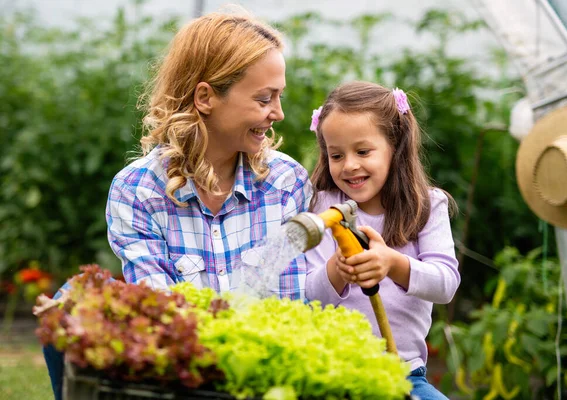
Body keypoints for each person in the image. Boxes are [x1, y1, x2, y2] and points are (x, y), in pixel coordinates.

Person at [43, 8, 312, 399]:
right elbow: (165, 318)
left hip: (263, 376)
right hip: (181, 379)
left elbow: (291, 310)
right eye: (264, 99)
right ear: (205, 97)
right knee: (68, 298)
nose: (279, 113)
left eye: (279, 97)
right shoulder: (137, 190)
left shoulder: (285, 183)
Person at [305, 81, 460, 400]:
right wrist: (338, 268)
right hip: (333, 375)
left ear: (396, 145)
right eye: (336, 154)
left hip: (403, 376)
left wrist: (392, 263)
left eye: (363, 151)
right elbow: (308, 296)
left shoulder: (426, 206)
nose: (349, 165)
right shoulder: (322, 207)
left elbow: (445, 284)